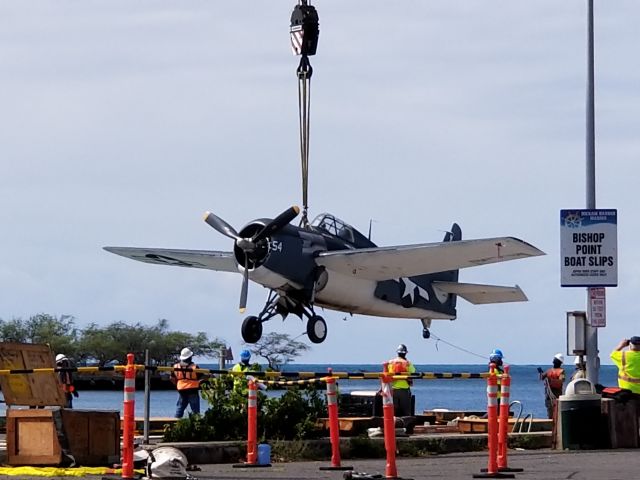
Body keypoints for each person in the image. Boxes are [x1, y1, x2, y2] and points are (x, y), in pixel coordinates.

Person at [170, 347, 203, 418]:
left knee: (180, 408)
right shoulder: (194, 367)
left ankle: (176, 423)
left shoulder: (176, 366)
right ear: (190, 357)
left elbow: (172, 378)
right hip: (192, 389)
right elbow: (201, 376)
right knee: (195, 410)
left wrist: (177, 384)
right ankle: (197, 424)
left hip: (181, 389)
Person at [386, 344, 416, 417]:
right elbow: (413, 371)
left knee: (394, 411)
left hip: (393, 389)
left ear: (397, 353)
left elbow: (387, 374)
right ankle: (406, 426)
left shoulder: (391, 362)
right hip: (404, 390)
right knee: (406, 411)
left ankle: (394, 426)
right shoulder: (407, 363)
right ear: (405, 353)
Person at [539, 353, 565, 418]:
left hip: (556, 395)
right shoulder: (549, 371)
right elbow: (542, 377)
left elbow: (561, 381)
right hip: (549, 395)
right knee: (550, 412)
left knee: (556, 413)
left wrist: (550, 381)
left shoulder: (561, 371)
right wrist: (541, 373)